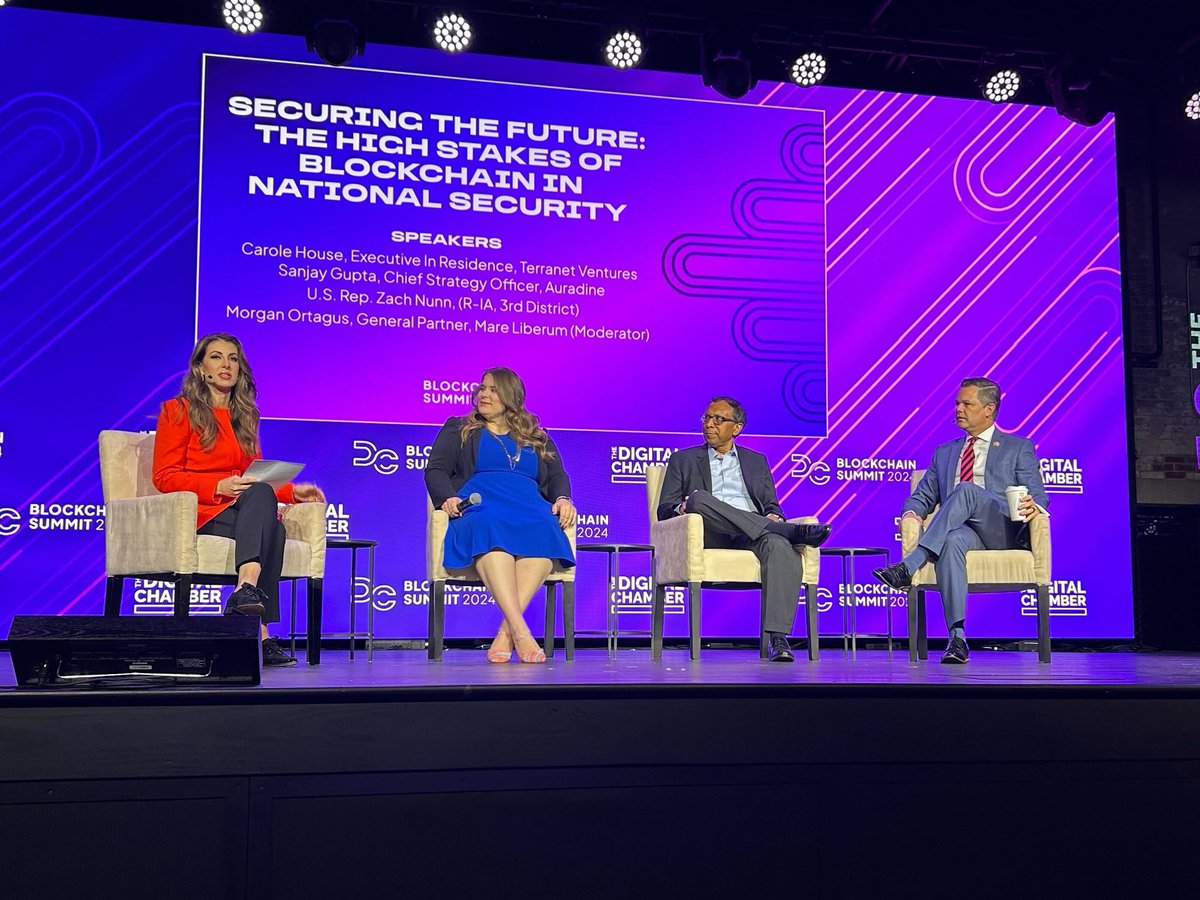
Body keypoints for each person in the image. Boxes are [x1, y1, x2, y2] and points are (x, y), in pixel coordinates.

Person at [152, 333, 326, 667]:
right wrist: (217, 485)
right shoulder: (178, 411)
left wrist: (293, 492)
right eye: (216, 357)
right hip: (200, 511)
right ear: (201, 368)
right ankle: (256, 628)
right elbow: (164, 476)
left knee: (272, 523)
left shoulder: (244, 416)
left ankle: (247, 605)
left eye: (232, 358)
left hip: (241, 509)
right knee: (270, 528)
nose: (226, 365)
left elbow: (254, 480)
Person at [872, 377, 1048, 664]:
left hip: (1001, 529)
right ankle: (957, 637)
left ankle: (910, 564)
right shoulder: (944, 452)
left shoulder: (1018, 447)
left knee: (965, 490)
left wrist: (1033, 503)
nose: (958, 409)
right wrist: (910, 513)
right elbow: (922, 496)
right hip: (965, 532)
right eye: (957, 403)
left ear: (989, 409)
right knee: (952, 541)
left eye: (967, 404)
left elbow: (1039, 495)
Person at [655, 397, 832, 662]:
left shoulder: (756, 461)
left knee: (779, 546)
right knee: (699, 499)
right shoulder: (684, 459)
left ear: (736, 428)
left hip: (749, 533)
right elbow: (664, 508)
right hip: (707, 532)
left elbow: (771, 505)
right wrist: (683, 508)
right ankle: (785, 531)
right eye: (706, 418)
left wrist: (773, 516)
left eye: (718, 419)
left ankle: (778, 638)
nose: (709, 425)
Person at [425, 367, 577, 664]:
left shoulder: (537, 436)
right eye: (482, 388)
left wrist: (562, 498)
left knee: (545, 529)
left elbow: (557, 474)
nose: (483, 394)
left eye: (493, 389)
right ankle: (521, 632)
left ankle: (505, 634)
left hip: (529, 506)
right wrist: (448, 498)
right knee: (489, 524)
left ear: (510, 396)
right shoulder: (459, 427)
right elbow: (436, 470)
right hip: (482, 503)